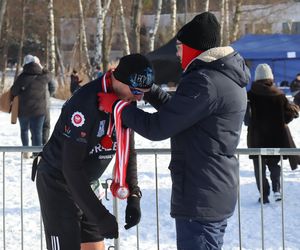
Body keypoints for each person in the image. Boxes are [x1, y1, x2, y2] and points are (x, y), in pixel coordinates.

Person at [99, 12, 250, 250]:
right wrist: (149, 90)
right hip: (211, 191)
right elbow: (181, 114)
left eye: (180, 47)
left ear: (193, 48)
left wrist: (119, 108)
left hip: (201, 195)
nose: (177, 53)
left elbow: (159, 127)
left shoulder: (205, 82)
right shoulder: (221, 77)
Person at [32, 54, 153, 250]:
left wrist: (134, 195)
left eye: (143, 93)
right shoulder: (85, 102)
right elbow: (70, 168)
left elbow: (127, 149)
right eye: (135, 91)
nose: (139, 97)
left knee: (95, 247)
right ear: (118, 79)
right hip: (58, 182)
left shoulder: (125, 101)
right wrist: (100, 215)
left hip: (85, 185)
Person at [246, 63, 300, 204]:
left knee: (259, 167)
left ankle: (264, 196)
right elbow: (288, 116)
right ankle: (277, 190)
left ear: (256, 77)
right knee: (274, 165)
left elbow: (246, 118)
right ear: (270, 77)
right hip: (275, 137)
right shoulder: (279, 95)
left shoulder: (250, 95)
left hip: (256, 137)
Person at [11, 54, 52, 158]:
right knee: (37, 132)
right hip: (39, 111)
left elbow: (14, 91)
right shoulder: (42, 77)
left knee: (24, 130)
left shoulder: (21, 77)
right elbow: (50, 75)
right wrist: (43, 68)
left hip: (23, 110)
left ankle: (25, 151)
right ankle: (36, 154)